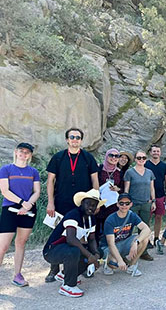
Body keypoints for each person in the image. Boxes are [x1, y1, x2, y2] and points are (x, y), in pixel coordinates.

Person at [0, 143, 40, 296]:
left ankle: (17, 275)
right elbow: (5, 191)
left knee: (21, 243)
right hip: (10, 210)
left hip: (28, 211)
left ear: (30, 155)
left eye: (27, 152)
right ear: (16, 152)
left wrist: (28, 205)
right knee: (3, 246)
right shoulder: (6, 169)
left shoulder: (33, 172)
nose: (24, 154)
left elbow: (37, 191)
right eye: (21, 151)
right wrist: (22, 203)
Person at [45, 128, 100, 283]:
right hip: (61, 203)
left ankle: (79, 266)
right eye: (72, 137)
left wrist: (96, 201)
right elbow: (50, 181)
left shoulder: (88, 158)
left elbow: (95, 180)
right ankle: (54, 269)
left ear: (81, 140)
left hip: (84, 205)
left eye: (78, 137)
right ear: (67, 140)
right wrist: (50, 202)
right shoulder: (58, 158)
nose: (75, 139)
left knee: (82, 235)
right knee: (58, 236)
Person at [42, 189, 104, 298]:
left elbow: (92, 239)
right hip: (51, 251)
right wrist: (89, 256)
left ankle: (66, 274)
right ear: (82, 203)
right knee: (74, 250)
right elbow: (71, 239)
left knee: (99, 251)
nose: (91, 207)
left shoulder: (91, 219)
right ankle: (68, 286)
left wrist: (96, 255)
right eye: (88, 203)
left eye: (94, 205)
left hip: (66, 248)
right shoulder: (73, 215)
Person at [101, 193, 151, 277]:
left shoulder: (132, 215)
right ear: (117, 204)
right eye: (121, 203)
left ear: (131, 204)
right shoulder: (110, 219)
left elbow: (147, 229)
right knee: (114, 264)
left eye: (127, 203)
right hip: (109, 247)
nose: (124, 205)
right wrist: (120, 260)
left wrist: (136, 242)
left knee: (144, 239)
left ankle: (132, 266)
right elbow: (111, 244)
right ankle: (108, 265)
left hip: (124, 243)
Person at [123, 150, 156, 261]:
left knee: (145, 228)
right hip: (133, 204)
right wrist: (126, 203)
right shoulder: (129, 172)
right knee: (129, 229)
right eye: (139, 158)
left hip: (146, 204)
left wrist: (154, 201)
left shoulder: (149, 172)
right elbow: (126, 189)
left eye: (143, 158)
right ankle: (127, 251)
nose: (141, 160)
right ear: (135, 159)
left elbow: (152, 188)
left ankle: (143, 251)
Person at [144, 144, 166, 248]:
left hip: (160, 195)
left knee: (159, 217)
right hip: (148, 196)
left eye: (157, 151)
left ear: (160, 153)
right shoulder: (146, 164)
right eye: (154, 151)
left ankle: (156, 238)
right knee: (147, 218)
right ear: (150, 152)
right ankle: (146, 239)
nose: (156, 153)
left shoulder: (164, 166)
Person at [95, 148, 123, 240]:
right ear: (107, 156)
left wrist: (117, 189)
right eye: (111, 155)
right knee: (98, 229)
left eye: (117, 156)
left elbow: (122, 188)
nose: (114, 158)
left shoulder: (119, 172)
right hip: (99, 204)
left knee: (111, 229)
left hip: (113, 205)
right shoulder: (98, 169)